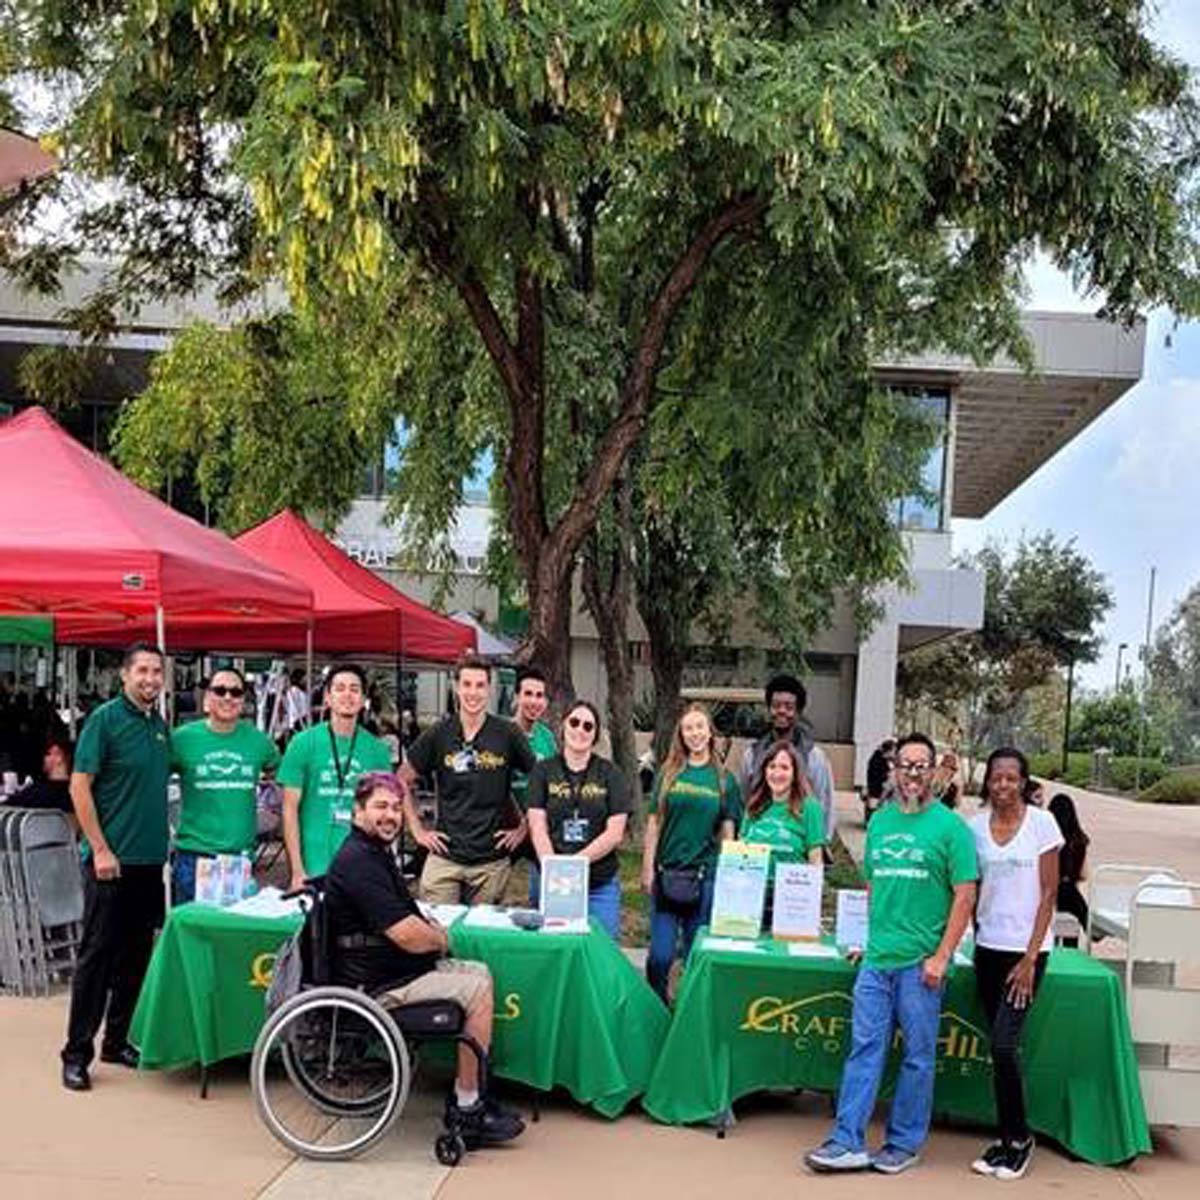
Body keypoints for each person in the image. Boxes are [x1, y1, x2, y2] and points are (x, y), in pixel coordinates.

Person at [805, 732, 977, 1175]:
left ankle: (903, 1143)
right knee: (864, 1048)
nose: (913, 774)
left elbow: (964, 897)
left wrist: (942, 956)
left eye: (922, 765)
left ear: (935, 770)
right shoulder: (880, 823)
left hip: (921, 966)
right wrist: (866, 937)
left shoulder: (950, 828)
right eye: (906, 765)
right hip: (878, 962)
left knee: (918, 1056)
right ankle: (847, 1141)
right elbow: (876, 886)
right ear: (894, 770)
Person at [325, 773, 524, 1145]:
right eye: (381, 806)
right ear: (357, 811)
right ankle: (468, 1110)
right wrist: (439, 938)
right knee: (477, 989)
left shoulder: (372, 852)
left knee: (479, 971)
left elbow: (403, 912)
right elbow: (406, 936)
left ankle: (472, 1088)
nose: (391, 815)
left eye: (397, 808)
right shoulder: (359, 862)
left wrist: (426, 927)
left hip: (389, 968)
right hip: (377, 985)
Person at [60, 644, 171, 1092]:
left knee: (136, 958)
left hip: (148, 863)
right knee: (97, 959)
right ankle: (76, 1053)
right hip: (111, 863)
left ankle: (117, 1040)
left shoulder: (159, 727)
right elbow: (79, 785)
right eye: (142, 670)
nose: (150, 678)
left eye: (157, 671)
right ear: (124, 675)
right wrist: (100, 848)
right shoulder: (104, 720)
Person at [969, 748, 1062, 1180]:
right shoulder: (974, 828)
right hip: (987, 949)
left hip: (1026, 955)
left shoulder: (1042, 824)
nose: (1003, 784)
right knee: (999, 1047)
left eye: (1011, 778)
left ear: (1023, 782)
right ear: (988, 782)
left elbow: (1048, 894)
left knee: (1004, 1044)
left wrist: (1029, 957)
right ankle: (1005, 1139)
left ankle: (1020, 1139)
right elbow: (970, 890)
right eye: (996, 778)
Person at [400, 655, 535, 905]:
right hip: (445, 857)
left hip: (491, 862)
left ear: (489, 689)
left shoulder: (507, 734)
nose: (473, 693)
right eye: (467, 684)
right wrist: (417, 831)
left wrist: (523, 829)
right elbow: (400, 780)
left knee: (479, 940)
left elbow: (542, 780)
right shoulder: (439, 734)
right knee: (437, 936)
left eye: (480, 685)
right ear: (456, 687)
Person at [642, 703, 741, 1002]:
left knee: (695, 956)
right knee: (660, 956)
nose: (695, 733)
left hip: (705, 877)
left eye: (700, 726)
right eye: (688, 728)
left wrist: (729, 875)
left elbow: (728, 833)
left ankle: (685, 1015)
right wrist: (647, 868)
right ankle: (657, 1005)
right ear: (681, 735)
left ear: (709, 731)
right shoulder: (669, 774)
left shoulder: (725, 781)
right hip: (667, 874)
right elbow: (654, 823)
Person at [169, 668, 280, 903]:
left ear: (243, 700)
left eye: (236, 692)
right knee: (194, 936)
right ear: (207, 698)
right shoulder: (181, 739)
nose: (228, 697)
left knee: (233, 936)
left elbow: (283, 776)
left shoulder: (259, 741)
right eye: (220, 691)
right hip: (195, 857)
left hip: (240, 860)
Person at [278, 663, 393, 889]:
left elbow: (383, 811)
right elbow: (289, 809)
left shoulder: (377, 750)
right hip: (312, 865)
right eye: (339, 688)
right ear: (328, 698)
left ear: (363, 700)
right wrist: (297, 869)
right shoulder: (302, 743)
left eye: (354, 689)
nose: (347, 695)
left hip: (360, 866)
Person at [526, 700, 631, 938]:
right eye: (574, 722)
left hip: (599, 883)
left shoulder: (611, 774)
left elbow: (615, 833)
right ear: (563, 726)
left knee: (601, 949)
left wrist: (573, 865)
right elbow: (537, 827)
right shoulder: (542, 771)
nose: (580, 730)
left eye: (588, 726)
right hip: (551, 878)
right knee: (554, 947)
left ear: (594, 736)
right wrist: (555, 867)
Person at [739, 674, 835, 843]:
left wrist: (821, 844)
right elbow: (745, 801)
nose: (782, 711)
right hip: (758, 848)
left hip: (799, 850)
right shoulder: (751, 755)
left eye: (789, 706)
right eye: (776, 706)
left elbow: (823, 804)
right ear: (769, 709)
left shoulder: (814, 757)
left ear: (798, 712)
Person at [741, 741, 825, 915]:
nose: (777, 774)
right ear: (764, 771)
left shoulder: (809, 807)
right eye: (772, 767)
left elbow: (815, 861)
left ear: (795, 773)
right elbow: (740, 854)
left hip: (791, 902)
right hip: (751, 899)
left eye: (785, 768)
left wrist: (811, 906)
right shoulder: (754, 806)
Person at [509, 665, 558, 902]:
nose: (534, 701)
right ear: (517, 696)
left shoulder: (547, 738)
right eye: (528, 694)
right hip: (507, 828)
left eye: (540, 696)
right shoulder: (502, 733)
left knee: (546, 896)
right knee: (489, 897)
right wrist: (519, 823)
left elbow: (553, 785)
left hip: (539, 828)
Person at [1048, 792, 1092, 935]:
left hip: (1048, 893)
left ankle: (1088, 921)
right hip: (1069, 893)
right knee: (1071, 894)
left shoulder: (1047, 837)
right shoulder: (1079, 840)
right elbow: (1084, 875)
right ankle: (1089, 924)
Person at [6, 734, 75, 820]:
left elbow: (9, 804)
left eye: (48, 754)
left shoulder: (39, 792)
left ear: (59, 757)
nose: (44, 758)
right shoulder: (75, 792)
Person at [865, 738, 895, 817]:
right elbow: (881, 777)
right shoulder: (878, 761)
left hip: (877, 789)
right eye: (893, 751)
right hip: (877, 790)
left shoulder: (880, 758)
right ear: (888, 751)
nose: (894, 753)